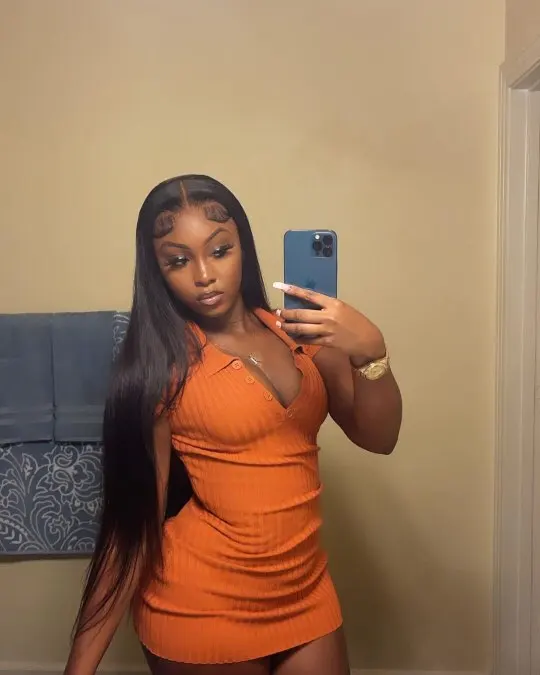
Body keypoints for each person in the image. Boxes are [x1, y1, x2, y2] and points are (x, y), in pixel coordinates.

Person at [65, 175, 402, 675]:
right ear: (157, 272)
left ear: (243, 246)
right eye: (178, 261)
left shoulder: (300, 336)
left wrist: (371, 352)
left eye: (219, 250)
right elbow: (132, 530)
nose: (204, 275)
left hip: (306, 593)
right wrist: (79, 668)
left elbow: (379, 438)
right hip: (200, 604)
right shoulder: (161, 370)